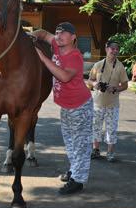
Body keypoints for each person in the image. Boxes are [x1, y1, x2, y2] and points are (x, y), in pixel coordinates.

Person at [32, 22, 93, 195]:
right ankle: (75, 170)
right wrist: (31, 37)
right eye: (57, 32)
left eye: (63, 33)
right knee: (71, 143)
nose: (58, 35)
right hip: (66, 106)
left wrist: (43, 58)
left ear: (73, 37)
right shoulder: (56, 44)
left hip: (80, 107)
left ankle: (78, 181)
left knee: (80, 144)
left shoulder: (74, 56)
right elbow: (43, 33)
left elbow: (64, 76)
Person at [88, 40, 128, 162]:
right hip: (97, 102)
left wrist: (115, 88)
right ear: (106, 49)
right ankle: (96, 150)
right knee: (96, 127)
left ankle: (110, 152)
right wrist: (95, 84)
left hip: (112, 104)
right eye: (112, 48)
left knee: (111, 128)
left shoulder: (120, 66)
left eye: (117, 49)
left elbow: (125, 85)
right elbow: (89, 80)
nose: (115, 51)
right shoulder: (98, 65)